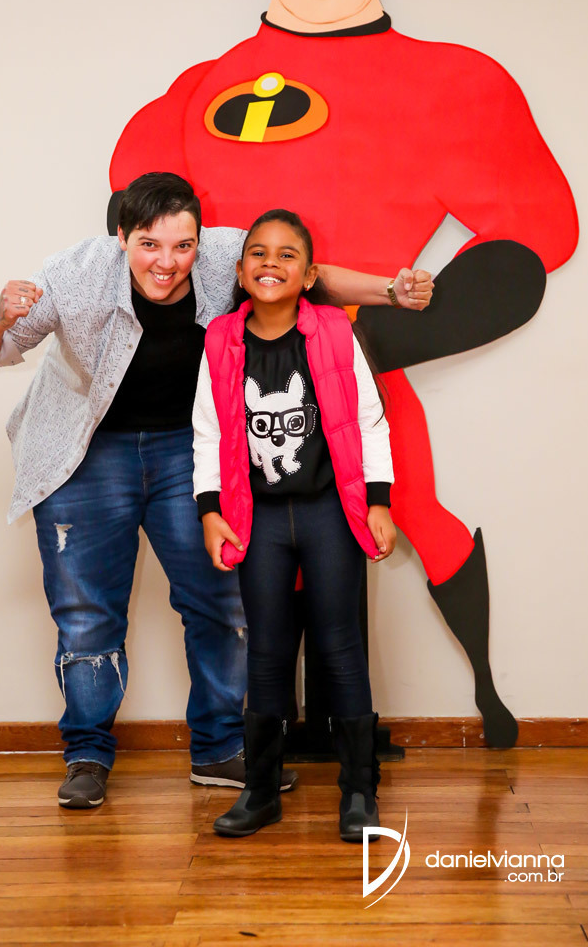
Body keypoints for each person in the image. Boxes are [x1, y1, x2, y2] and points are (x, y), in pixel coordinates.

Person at [109, 0, 579, 749]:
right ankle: (284, 727)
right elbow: (142, 221)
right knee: (264, 530)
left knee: (408, 515)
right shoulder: (201, 89)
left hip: (360, 354)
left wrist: (382, 333)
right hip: (250, 364)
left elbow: (533, 235)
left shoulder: (452, 80)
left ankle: (462, 696)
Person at [0, 172, 432, 809]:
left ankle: (219, 748)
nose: (168, 262)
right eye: (150, 245)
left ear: (200, 241)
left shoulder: (221, 254)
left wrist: (390, 291)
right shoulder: (73, 274)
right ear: (121, 237)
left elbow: (307, 274)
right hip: (86, 452)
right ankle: (87, 755)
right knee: (88, 614)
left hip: (187, 447)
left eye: (183, 246)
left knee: (220, 602)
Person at [192, 209, 396, 841]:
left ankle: (358, 790)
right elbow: (207, 431)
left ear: (309, 275)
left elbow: (369, 420)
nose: (270, 263)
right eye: (258, 253)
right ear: (240, 270)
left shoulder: (334, 332)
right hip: (257, 519)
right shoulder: (221, 339)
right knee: (268, 650)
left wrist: (379, 501)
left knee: (340, 645)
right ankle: (260, 791)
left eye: (287, 255)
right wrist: (210, 511)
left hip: (329, 511)